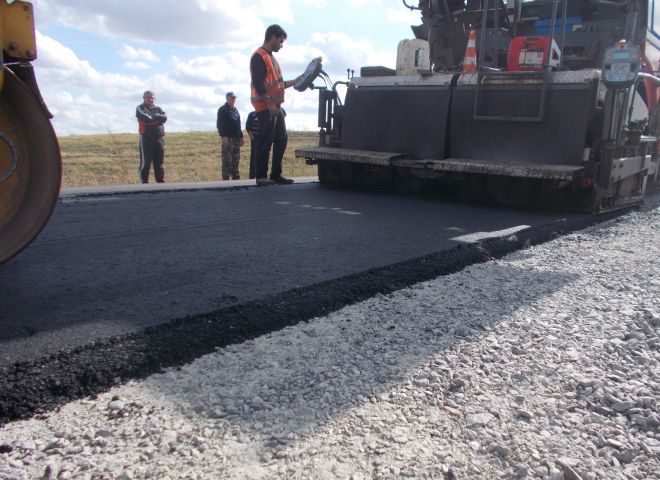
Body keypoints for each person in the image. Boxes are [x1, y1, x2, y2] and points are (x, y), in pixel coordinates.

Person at [250, 24, 303, 186]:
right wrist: (269, 104)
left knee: (281, 139)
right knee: (265, 140)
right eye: (280, 41)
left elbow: (277, 84)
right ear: (272, 37)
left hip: (276, 106)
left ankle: (275, 175)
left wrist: (294, 81)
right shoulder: (259, 56)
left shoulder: (272, 58)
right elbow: (258, 83)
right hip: (266, 107)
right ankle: (261, 177)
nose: (282, 45)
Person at [136, 90, 167, 183]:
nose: (151, 99)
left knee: (159, 162)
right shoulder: (140, 108)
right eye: (148, 97)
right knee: (146, 162)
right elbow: (146, 118)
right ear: (144, 98)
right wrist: (157, 119)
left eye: (152, 97)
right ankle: (144, 181)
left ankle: (160, 181)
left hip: (159, 138)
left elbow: (164, 117)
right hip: (146, 138)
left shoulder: (158, 108)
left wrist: (155, 117)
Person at [216, 92, 244, 180]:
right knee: (227, 160)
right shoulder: (222, 110)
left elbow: (238, 125)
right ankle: (226, 179)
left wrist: (241, 136)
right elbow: (219, 124)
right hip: (227, 138)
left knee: (236, 159)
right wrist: (223, 136)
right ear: (227, 98)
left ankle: (236, 178)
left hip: (236, 138)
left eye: (235, 98)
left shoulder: (235, 110)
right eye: (232, 98)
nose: (234, 100)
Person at [245, 110, 259, 179]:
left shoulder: (265, 113)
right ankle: (252, 176)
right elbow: (248, 127)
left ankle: (261, 175)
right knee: (254, 157)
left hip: (263, 139)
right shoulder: (252, 114)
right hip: (255, 138)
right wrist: (252, 138)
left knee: (263, 157)